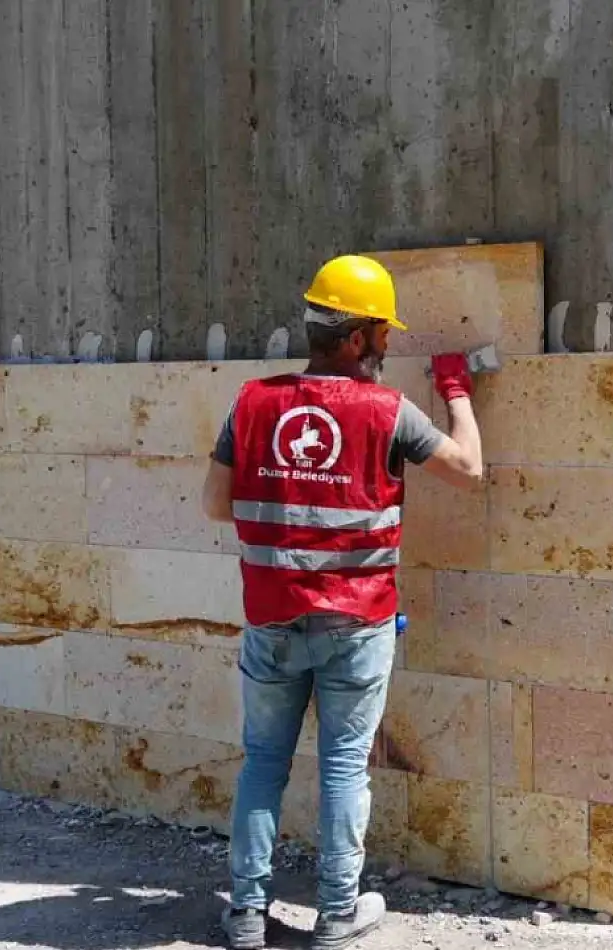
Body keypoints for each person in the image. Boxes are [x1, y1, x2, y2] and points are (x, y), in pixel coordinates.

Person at [200, 254, 485, 949]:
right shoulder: (388, 412)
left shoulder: (253, 402)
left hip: (271, 618)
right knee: (343, 764)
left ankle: (244, 913)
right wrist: (457, 392)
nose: (388, 344)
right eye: (383, 332)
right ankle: (335, 915)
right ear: (356, 338)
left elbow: (215, 504)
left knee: (263, 760)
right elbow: (471, 469)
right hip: (356, 624)